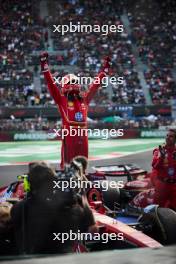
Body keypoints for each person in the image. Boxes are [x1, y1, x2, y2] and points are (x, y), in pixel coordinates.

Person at [40, 52, 111, 169]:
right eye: (70, 82)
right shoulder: (61, 98)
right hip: (70, 134)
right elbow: (50, 84)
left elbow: (95, 85)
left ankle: (82, 183)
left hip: (83, 135)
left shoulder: (84, 99)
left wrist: (105, 71)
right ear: (63, 85)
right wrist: (45, 66)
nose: (73, 84)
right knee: (69, 166)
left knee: (83, 165)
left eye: (75, 82)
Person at [11, 161, 96, 254]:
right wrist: (82, 197)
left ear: (30, 184)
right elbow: (92, 229)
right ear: (54, 183)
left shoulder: (18, 209)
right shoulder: (70, 211)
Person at [151, 129, 176, 209]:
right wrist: (161, 157)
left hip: (174, 185)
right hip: (162, 184)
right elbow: (155, 166)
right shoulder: (158, 150)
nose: (168, 138)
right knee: (157, 209)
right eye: (167, 135)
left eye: (171, 136)